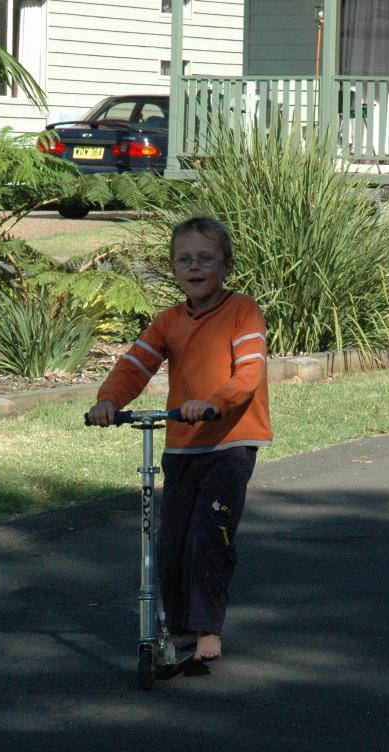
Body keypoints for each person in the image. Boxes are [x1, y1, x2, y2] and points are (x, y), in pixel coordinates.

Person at [86, 216, 272, 663]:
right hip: (182, 446)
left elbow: (249, 372)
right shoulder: (168, 321)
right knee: (170, 542)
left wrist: (215, 401)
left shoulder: (242, 311)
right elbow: (135, 365)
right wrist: (108, 401)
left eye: (205, 259)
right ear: (172, 268)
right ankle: (177, 627)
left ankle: (207, 630)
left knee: (209, 536)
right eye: (185, 260)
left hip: (229, 443)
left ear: (226, 265)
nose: (195, 267)